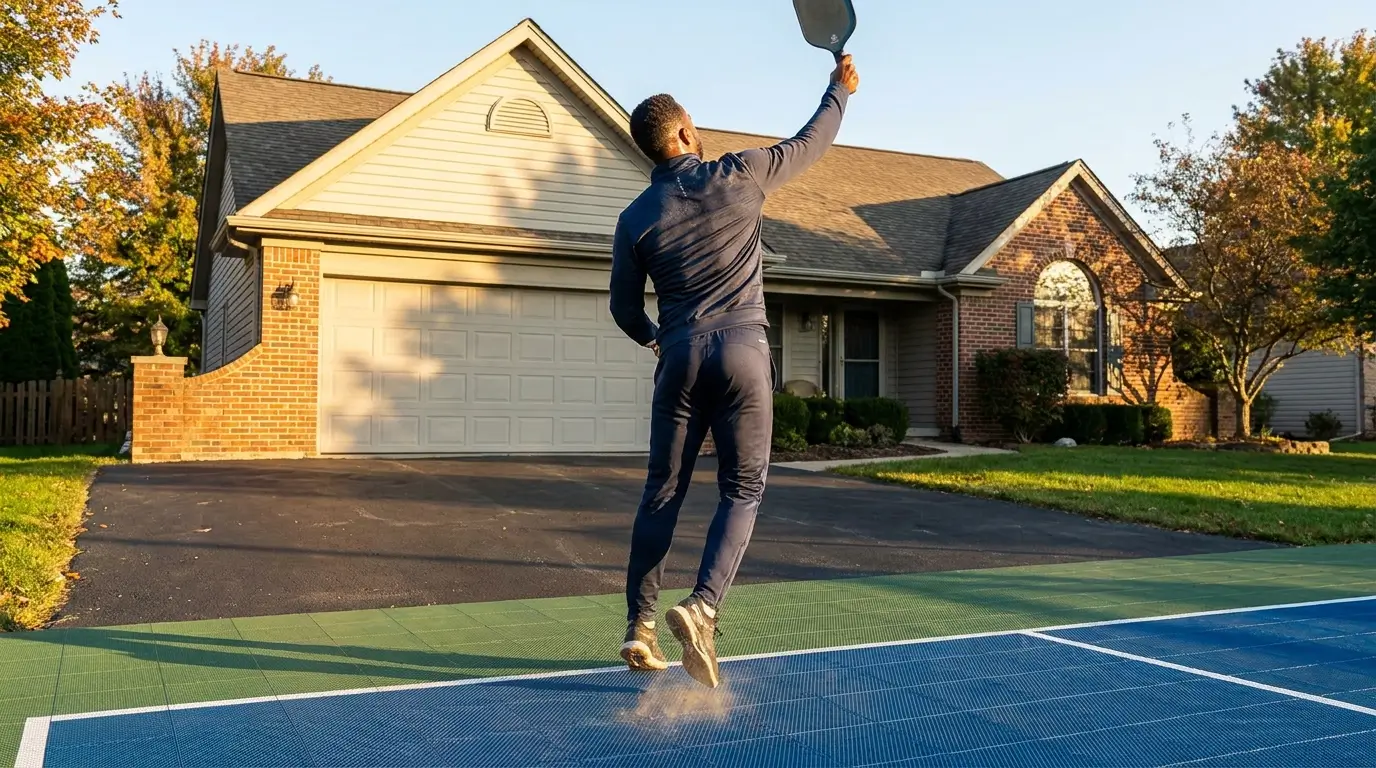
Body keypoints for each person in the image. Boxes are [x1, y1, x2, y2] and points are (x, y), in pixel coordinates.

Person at [608, 55, 859, 688]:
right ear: (686, 133)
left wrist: (655, 338)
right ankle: (702, 606)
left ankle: (639, 626)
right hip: (743, 352)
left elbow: (621, 307)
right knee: (742, 488)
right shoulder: (740, 174)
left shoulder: (635, 219)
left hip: (680, 355)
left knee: (661, 492)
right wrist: (838, 90)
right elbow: (812, 141)